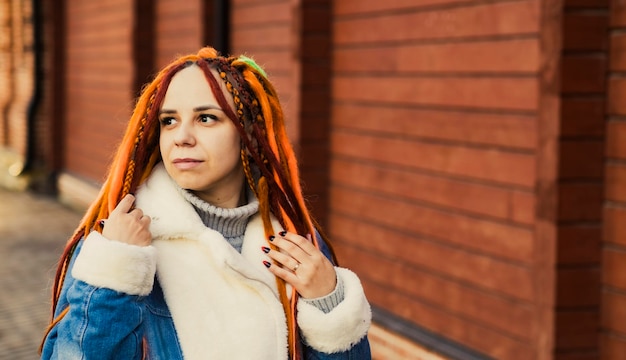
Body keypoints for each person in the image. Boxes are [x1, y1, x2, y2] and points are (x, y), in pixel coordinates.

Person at [40, 47, 372, 359]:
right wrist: (112, 282)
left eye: (206, 118)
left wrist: (329, 303)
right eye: (169, 120)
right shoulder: (117, 242)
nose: (181, 136)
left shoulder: (295, 243)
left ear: (249, 133)